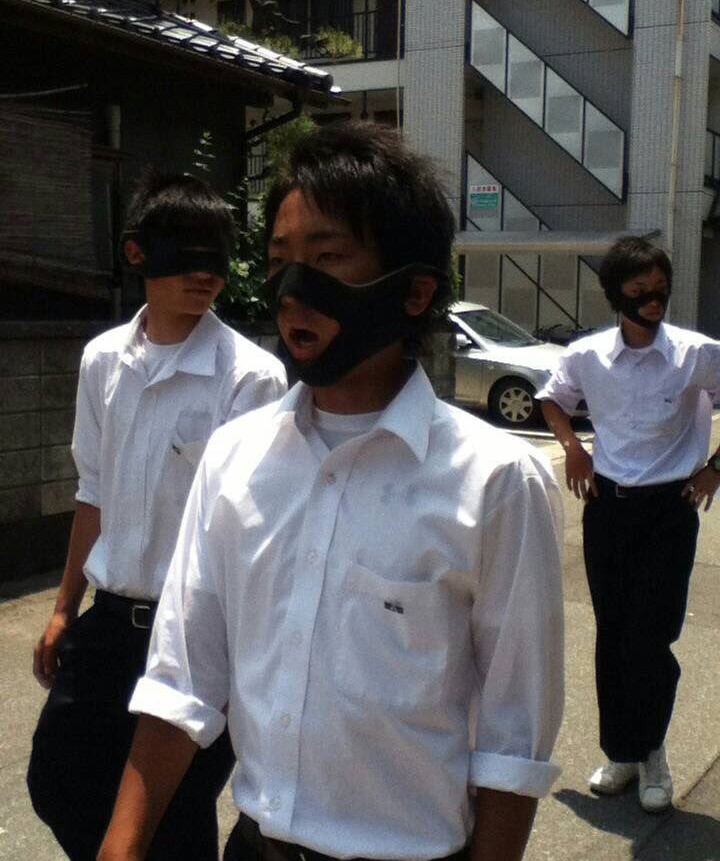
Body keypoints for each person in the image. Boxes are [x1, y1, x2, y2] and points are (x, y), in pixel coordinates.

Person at [98, 122, 565, 861]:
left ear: (415, 290)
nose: (293, 291)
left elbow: (514, 740)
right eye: (280, 261)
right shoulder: (234, 459)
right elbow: (181, 680)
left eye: (327, 258)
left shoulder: (497, 481)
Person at [27, 171, 287, 861]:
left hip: (198, 637)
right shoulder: (103, 360)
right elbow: (93, 491)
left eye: (217, 256)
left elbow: (254, 531)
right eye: (187, 254)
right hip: (111, 621)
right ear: (138, 253)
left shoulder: (250, 376)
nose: (206, 274)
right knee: (58, 782)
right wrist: (63, 608)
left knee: (172, 818)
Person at [538, 235, 720, 813]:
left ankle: (652, 750)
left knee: (650, 637)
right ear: (616, 294)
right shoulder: (587, 356)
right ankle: (621, 752)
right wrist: (573, 448)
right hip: (608, 509)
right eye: (640, 289)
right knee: (613, 634)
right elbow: (552, 399)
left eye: (660, 287)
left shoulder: (696, 353)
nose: (653, 299)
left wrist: (715, 468)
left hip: (669, 510)